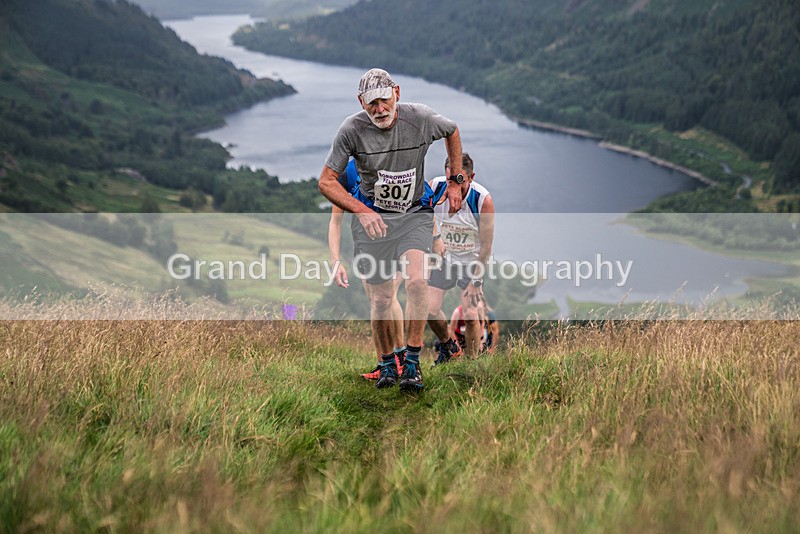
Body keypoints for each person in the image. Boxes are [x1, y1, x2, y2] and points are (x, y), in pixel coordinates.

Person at [319, 67, 465, 392]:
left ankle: (412, 363)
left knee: (416, 282)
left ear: (396, 92)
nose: (380, 109)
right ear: (361, 102)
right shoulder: (351, 130)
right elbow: (326, 182)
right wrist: (362, 210)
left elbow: (452, 131)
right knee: (382, 299)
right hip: (374, 222)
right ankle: (387, 364)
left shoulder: (421, 118)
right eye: (372, 104)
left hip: (413, 214)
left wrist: (455, 183)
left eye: (385, 100)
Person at [327, 159, 406, 379]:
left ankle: (400, 357)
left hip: (395, 241)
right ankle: (384, 363)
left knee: (387, 298)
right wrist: (335, 261)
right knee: (376, 301)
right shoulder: (347, 173)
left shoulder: (391, 161)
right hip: (364, 244)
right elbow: (335, 222)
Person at [427, 153, 495, 360]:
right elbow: (424, 215)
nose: (453, 187)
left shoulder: (483, 200)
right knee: (429, 310)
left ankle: (472, 363)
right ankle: (450, 348)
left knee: (472, 315)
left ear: (471, 177)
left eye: (460, 182)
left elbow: (486, 247)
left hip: (471, 262)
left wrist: (476, 280)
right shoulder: (435, 187)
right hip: (444, 258)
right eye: (449, 180)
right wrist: (436, 238)